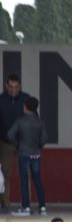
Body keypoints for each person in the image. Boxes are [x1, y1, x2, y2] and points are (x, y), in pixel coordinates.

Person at [8, 96, 48, 216]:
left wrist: (18, 145)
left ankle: (26, 207)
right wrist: (38, 146)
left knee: (24, 181)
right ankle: (42, 207)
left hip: (23, 154)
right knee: (37, 180)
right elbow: (45, 138)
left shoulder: (20, 121)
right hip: (36, 154)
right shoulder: (39, 121)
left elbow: (10, 135)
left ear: (25, 107)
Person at [0, 73, 29, 213]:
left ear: (20, 86)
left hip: (23, 143)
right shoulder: (1, 100)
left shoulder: (26, 99)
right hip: (5, 143)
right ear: (6, 86)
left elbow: (33, 120)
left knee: (26, 174)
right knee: (4, 174)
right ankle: (5, 205)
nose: (13, 89)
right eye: (11, 87)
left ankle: (26, 205)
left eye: (16, 87)